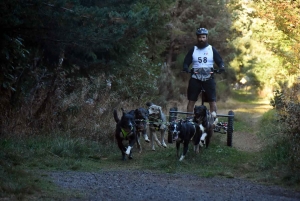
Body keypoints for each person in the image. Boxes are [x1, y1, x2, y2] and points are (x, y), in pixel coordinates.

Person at [182, 27, 225, 117]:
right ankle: (189, 120)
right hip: (195, 77)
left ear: (206, 38)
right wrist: (186, 67)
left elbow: (220, 61)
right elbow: (186, 62)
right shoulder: (193, 49)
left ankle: (212, 119)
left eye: (203, 37)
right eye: (199, 37)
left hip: (209, 77)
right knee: (191, 100)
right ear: (197, 38)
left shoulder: (211, 49)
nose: (201, 39)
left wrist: (221, 67)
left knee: (212, 100)